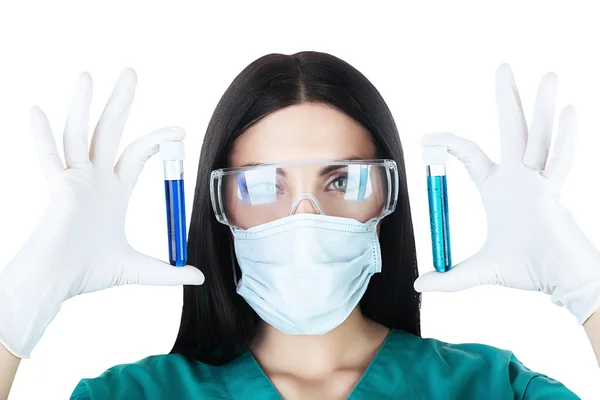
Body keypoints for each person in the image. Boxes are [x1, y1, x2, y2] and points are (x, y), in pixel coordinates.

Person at [0, 51, 598, 399]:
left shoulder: (493, 390)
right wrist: (16, 307)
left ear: (388, 198)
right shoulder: (132, 397)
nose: (304, 218)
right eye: (264, 185)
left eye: (341, 181)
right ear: (220, 205)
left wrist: (588, 290)